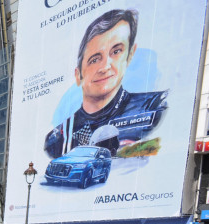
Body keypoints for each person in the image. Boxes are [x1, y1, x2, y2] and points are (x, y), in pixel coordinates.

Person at [44, 9, 167, 159]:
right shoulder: (56, 140)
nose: (105, 67)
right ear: (78, 75)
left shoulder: (154, 107)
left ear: (130, 55)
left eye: (116, 51)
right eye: (94, 59)